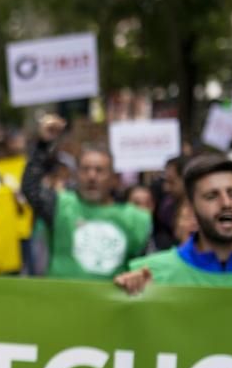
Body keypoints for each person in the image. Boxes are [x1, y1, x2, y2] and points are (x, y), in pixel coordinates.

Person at [114, 154, 232, 292]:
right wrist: (128, 294)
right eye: (211, 196)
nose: (226, 203)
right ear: (191, 207)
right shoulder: (151, 274)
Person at [21, 114, 151, 279]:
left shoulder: (135, 218)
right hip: (64, 295)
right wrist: (43, 144)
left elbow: (145, 269)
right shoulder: (60, 205)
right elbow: (31, 188)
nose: (91, 176)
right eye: (85, 169)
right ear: (76, 175)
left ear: (113, 178)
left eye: (99, 170)